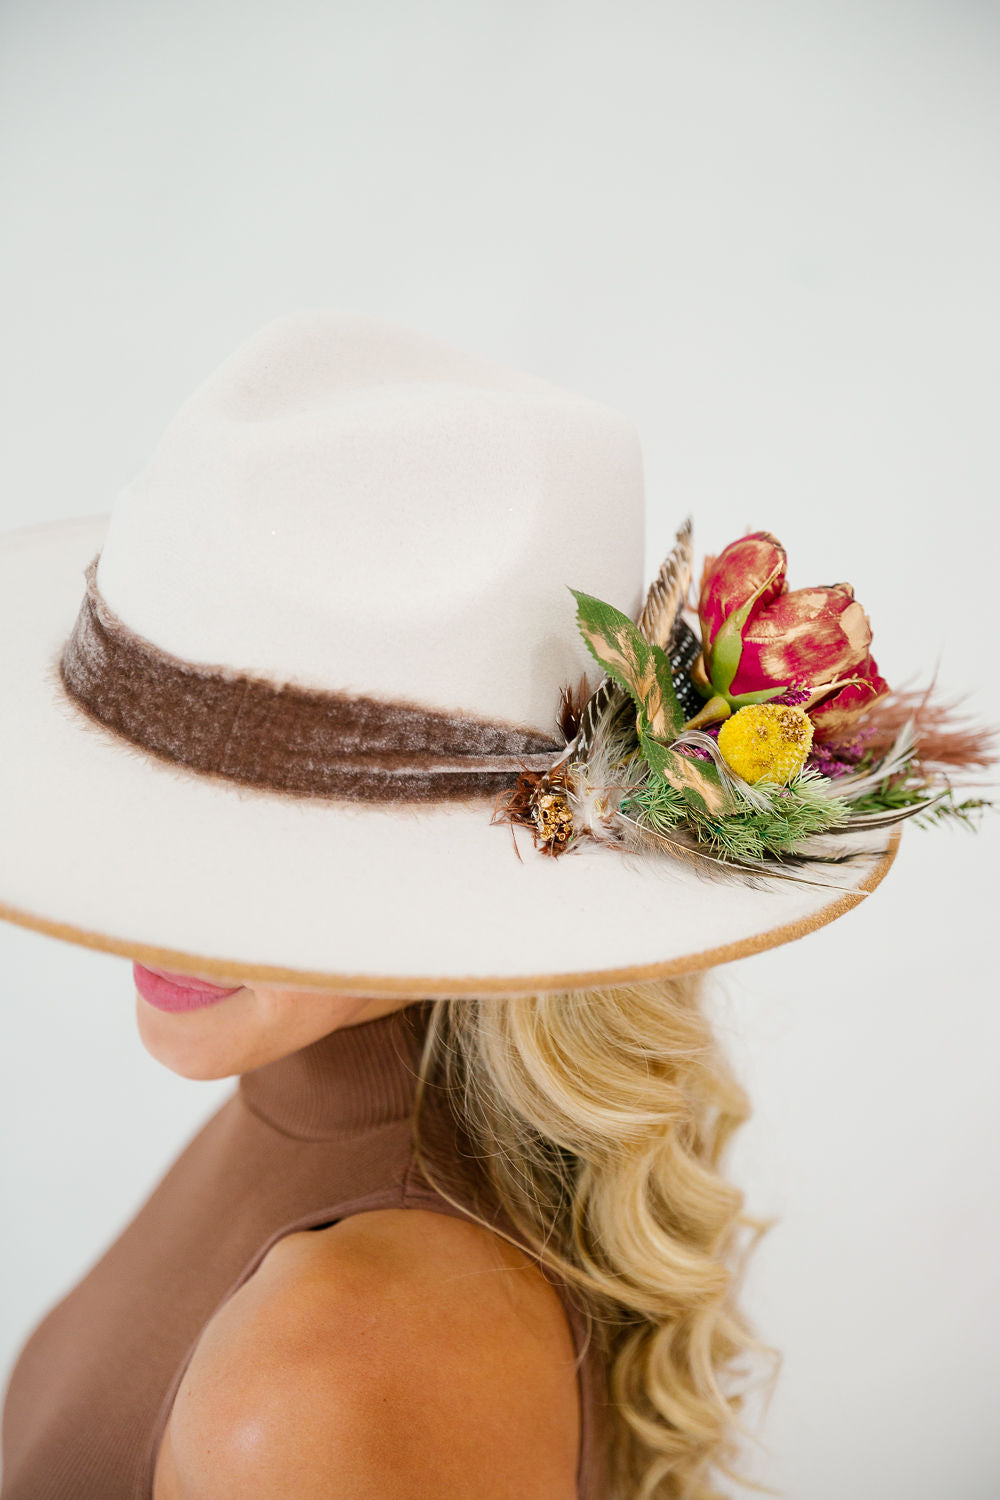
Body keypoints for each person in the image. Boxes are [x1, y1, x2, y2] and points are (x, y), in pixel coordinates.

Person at [0, 312, 982, 1499]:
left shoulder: (338, 1374)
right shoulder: (309, 1096)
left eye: (266, 830)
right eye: (157, 786)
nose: (157, 905)